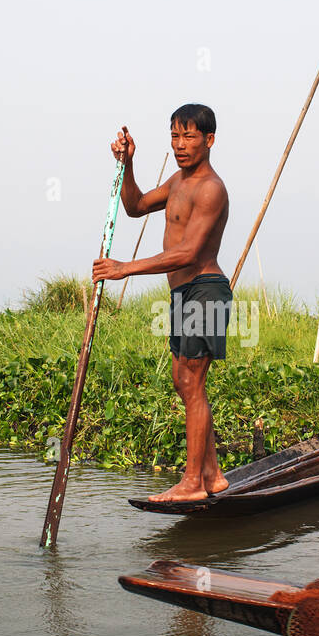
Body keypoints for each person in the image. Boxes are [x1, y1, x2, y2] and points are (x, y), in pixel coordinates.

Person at [93, 104, 231, 503]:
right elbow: (135, 207)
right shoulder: (177, 181)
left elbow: (189, 252)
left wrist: (124, 269)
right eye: (174, 136)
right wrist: (128, 164)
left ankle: (192, 484)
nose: (180, 145)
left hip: (205, 289)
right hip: (183, 293)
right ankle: (212, 475)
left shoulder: (211, 188)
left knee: (193, 381)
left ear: (209, 139)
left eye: (188, 137)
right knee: (183, 381)